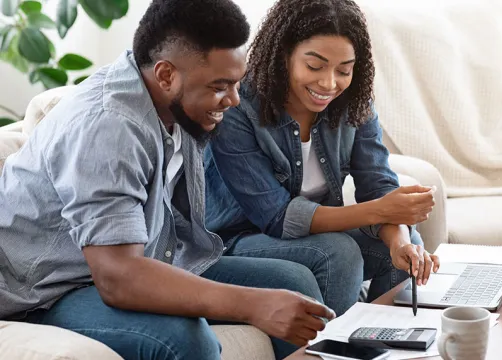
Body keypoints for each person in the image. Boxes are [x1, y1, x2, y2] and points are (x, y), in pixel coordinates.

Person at [0, 1, 335, 359]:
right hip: (49, 289)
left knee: (296, 285)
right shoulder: (109, 127)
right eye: (221, 86)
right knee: (184, 339)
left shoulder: (176, 100)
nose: (234, 100)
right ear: (165, 75)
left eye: (236, 83)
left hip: (149, 257)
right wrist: (251, 304)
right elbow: (118, 276)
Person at [206, 0, 440, 317]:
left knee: (403, 241)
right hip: (236, 240)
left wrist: (400, 243)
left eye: (343, 70)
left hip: (307, 237)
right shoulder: (239, 106)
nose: (329, 84)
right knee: (338, 253)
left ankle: (387, 343)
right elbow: (276, 217)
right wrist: (381, 209)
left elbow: (378, 185)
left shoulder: (353, 101)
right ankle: (338, 348)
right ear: (284, 54)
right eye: (315, 66)